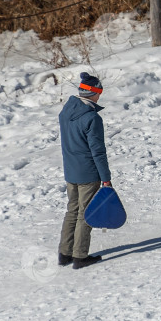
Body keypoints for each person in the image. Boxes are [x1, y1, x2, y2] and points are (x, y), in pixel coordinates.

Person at [58, 72, 112, 269]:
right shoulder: (91, 118)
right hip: (88, 173)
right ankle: (80, 256)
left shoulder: (66, 112)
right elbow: (98, 151)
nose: (100, 97)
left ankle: (65, 253)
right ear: (95, 93)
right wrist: (106, 178)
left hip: (70, 171)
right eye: (99, 93)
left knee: (72, 211)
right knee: (85, 213)